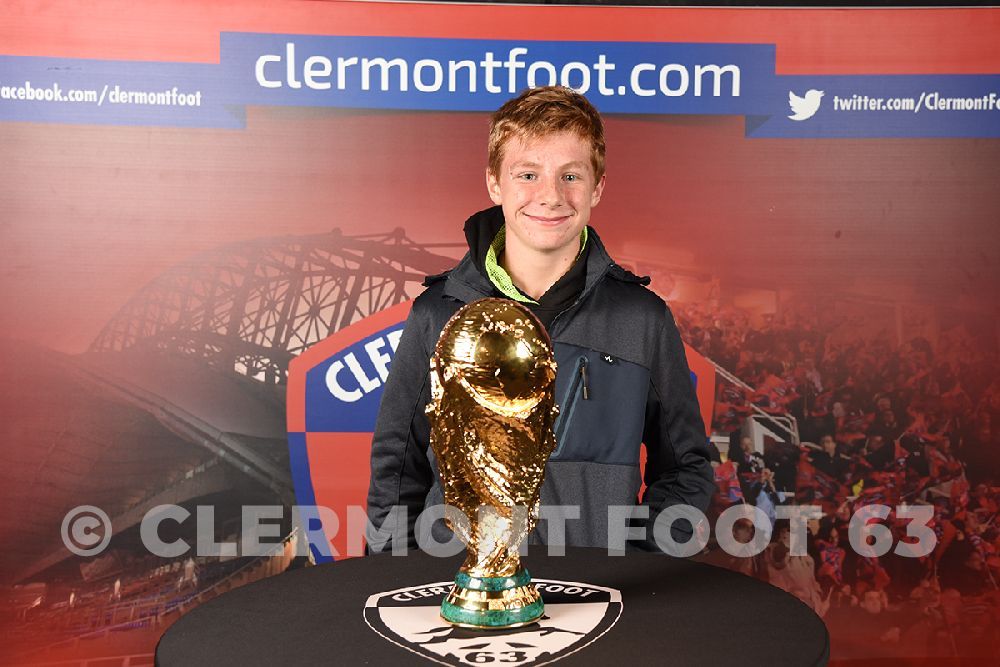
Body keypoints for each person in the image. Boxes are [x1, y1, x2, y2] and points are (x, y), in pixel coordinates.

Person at [366, 85, 715, 553]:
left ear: (598, 186)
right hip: (459, 587)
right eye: (528, 174)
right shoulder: (437, 313)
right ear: (495, 183)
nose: (550, 196)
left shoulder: (642, 318)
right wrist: (400, 579)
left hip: (601, 592)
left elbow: (686, 467)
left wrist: (637, 566)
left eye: (571, 176)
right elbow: (396, 469)